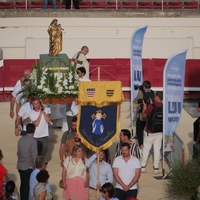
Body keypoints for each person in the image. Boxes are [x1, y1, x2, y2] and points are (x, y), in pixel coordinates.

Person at [140, 91, 163, 174]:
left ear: (157, 97)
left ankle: (143, 166)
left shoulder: (151, 106)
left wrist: (145, 106)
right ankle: (156, 168)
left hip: (149, 131)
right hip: (160, 131)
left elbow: (144, 115)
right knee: (157, 149)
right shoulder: (164, 106)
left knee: (146, 148)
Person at [17, 123, 38, 200]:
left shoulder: (20, 140)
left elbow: (18, 153)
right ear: (34, 131)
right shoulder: (33, 141)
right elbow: (34, 156)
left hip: (20, 166)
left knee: (23, 185)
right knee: (27, 186)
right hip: (28, 166)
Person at [134, 80, 155, 154]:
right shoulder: (153, 93)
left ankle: (141, 146)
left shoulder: (141, 92)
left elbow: (136, 101)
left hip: (142, 115)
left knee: (139, 131)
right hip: (151, 116)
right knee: (148, 132)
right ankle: (149, 147)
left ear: (143, 86)